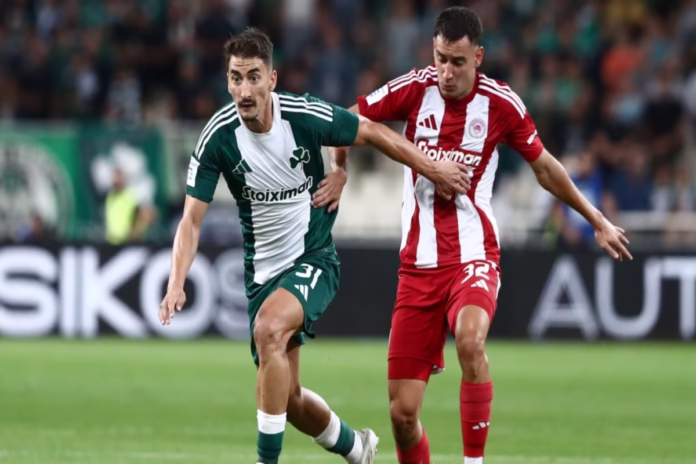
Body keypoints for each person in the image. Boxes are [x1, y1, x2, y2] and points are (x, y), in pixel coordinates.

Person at [319, 7, 632, 464]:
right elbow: (341, 124)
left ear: (478, 57)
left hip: (473, 255)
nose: (446, 72)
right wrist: (340, 170)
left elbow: (545, 168)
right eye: (441, 59)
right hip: (418, 267)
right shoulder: (414, 88)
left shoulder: (501, 103)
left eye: (458, 62)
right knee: (402, 416)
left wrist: (596, 218)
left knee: (470, 339)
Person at [157, 28, 470, 464]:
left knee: (269, 329)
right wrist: (176, 282)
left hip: (313, 257)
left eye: (253, 77)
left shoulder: (303, 116)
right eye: (235, 78)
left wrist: (429, 168)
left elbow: (371, 131)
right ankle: (357, 447)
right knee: (288, 399)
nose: (244, 90)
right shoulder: (219, 137)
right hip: (262, 275)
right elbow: (191, 220)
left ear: (272, 79)